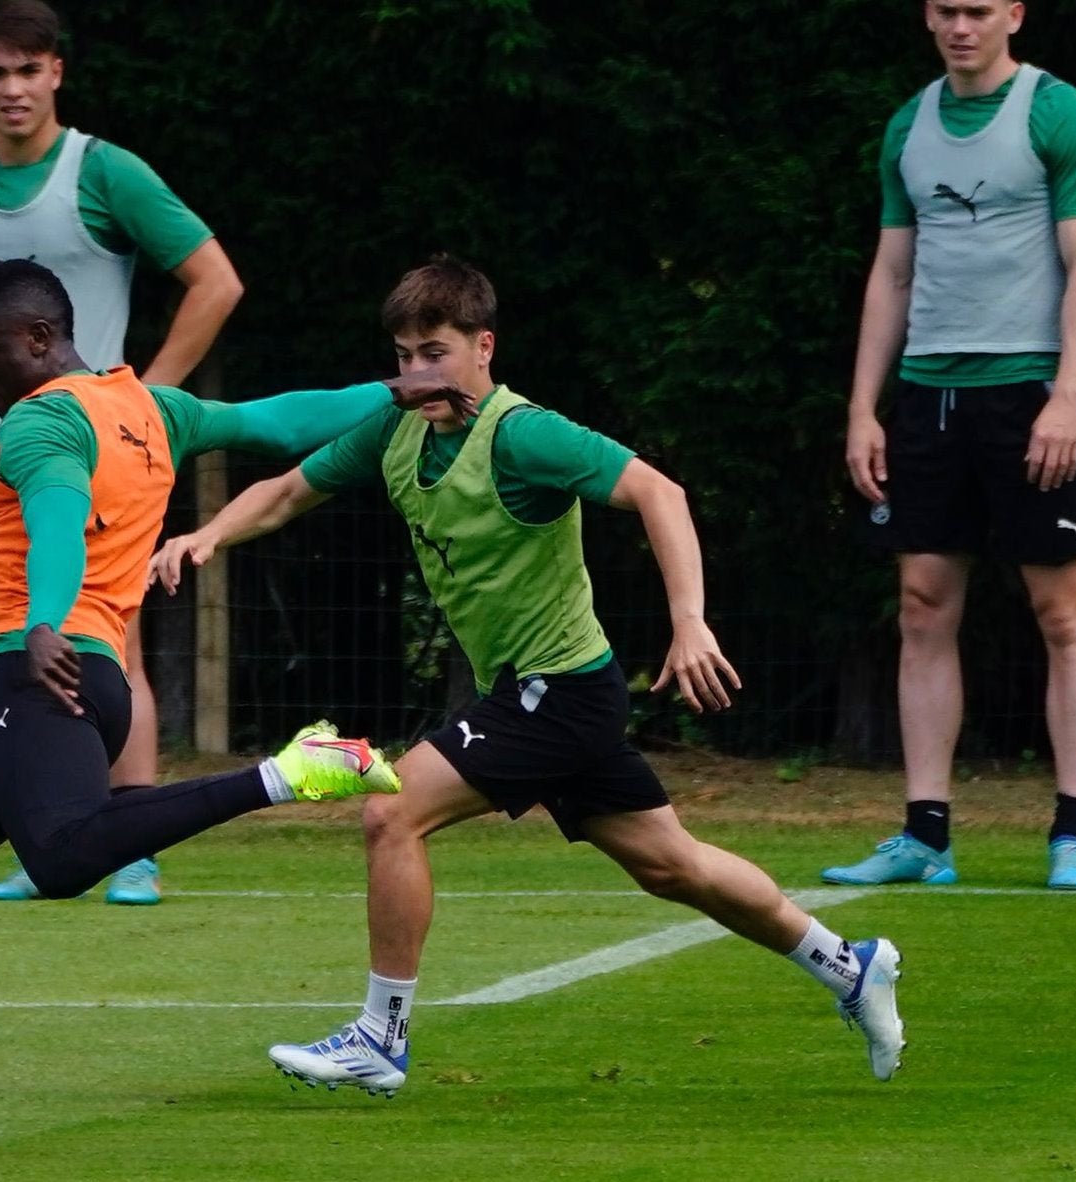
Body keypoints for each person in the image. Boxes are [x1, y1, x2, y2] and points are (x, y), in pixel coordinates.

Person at [150, 256, 906, 1094]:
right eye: (402, 355)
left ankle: (379, 1035)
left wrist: (688, 621)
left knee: (388, 816)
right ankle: (847, 963)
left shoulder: (522, 434)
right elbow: (291, 490)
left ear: (483, 347)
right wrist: (208, 535)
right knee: (671, 866)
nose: (414, 373)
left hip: (556, 692)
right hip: (537, 693)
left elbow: (660, 492)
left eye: (433, 352)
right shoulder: (395, 431)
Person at [0, 259, 473, 1104]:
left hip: (44, 671)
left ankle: (288, 771)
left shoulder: (39, 423)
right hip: (89, 682)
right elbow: (272, 422)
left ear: (42, 339)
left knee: (58, 859)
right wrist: (390, 392)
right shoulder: (149, 408)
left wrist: (45, 621)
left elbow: (55, 511)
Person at [0, 0, 245, 906]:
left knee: (112, 645)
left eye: (28, 71)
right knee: (10, 650)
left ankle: (129, 841)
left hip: (90, 444)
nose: (12, 90)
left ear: (56, 73)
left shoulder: (105, 173)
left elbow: (215, 280)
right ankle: (45, 830)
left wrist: (140, 403)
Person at [835, 0, 1076, 891]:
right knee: (921, 605)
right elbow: (891, 270)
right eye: (947, 10)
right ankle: (925, 835)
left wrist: (1066, 396)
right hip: (926, 396)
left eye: (978, 10)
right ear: (925, 16)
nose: (961, 26)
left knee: (1062, 614)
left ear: (1014, 15)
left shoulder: (1058, 113)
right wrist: (862, 408)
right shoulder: (907, 125)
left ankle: (1072, 831)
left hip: (1027, 392)